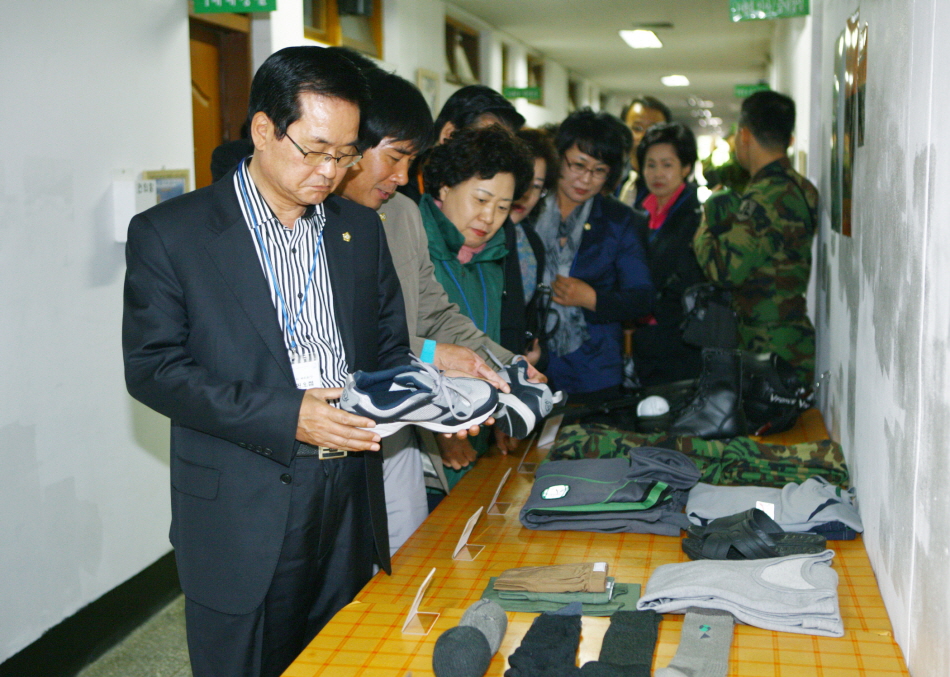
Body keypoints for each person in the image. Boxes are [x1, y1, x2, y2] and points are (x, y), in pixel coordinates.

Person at [123, 47, 412, 677]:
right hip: (242, 497)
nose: (331, 172)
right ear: (262, 129)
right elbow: (154, 368)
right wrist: (288, 416)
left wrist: (435, 399)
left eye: (346, 156)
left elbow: (388, 350)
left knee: (339, 657)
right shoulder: (173, 234)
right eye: (315, 150)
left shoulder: (358, 232)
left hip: (347, 492)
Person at [332, 57, 528, 554]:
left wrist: (508, 367)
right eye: (394, 157)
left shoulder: (400, 216)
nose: (403, 176)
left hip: (394, 433)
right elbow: (338, 336)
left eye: (410, 160)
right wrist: (431, 357)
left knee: (407, 561)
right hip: (330, 427)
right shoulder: (312, 218)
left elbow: (436, 313)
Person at [418, 125, 534, 488]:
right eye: (481, 200)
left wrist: (504, 410)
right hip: (422, 441)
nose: (489, 217)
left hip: (477, 429)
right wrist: (439, 431)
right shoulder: (413, 242)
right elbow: (403, 343)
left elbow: (485, 338)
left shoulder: (493, 252)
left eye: (502, 207)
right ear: (444, 186)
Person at [693, 90, 819, 385]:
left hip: (766, 345)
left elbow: (724, 270)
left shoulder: (765, 196)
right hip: (788, 338)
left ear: (745, 135)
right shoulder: (800, 187)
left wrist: (704, 227)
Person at [535, 108, 654, 401]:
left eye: (599, 171)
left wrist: (592, 299)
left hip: (593, 370)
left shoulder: (620, 220)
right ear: (558, 157)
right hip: (529, 364)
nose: (585, 179)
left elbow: (643, 297)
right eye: (578, 164)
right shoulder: (527, 207)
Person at [631, 122, 705, 386]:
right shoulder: (638, 212)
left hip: (678, 343)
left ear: (685, 168)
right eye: (650, 164)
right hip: (645, 341)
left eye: (667, 164)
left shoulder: (696, 218)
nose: (657, 173)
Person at [510, 128, 558, 364]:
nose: (526, 194)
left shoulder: (531, 243)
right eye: (522, 181)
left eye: (537, 186)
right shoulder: (473, 237)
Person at [617, 95, 672, 208]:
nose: (644, 136)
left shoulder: (670, 182)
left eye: (654, 130)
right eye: (637, 128)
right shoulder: (608, 174)